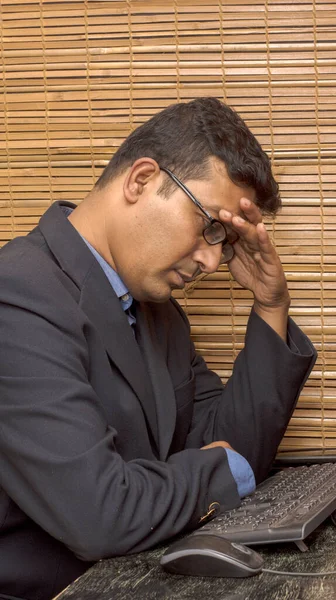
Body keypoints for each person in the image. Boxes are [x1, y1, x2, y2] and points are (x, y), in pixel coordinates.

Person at [0, 97, 316, 600]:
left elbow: (236, 450)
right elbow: (99, 513)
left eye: (226, 242)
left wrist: (270, 305)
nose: (213, 261)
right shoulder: (17, 294)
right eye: (210, 226)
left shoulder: (158, 312)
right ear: (142, 180)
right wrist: (214, 470)